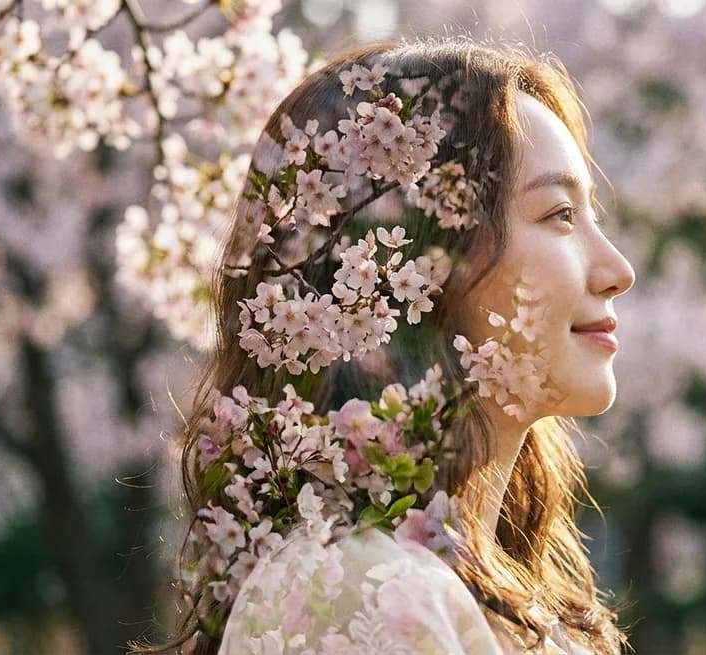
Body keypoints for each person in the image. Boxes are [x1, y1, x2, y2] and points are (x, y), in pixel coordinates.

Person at [137, 35, 636, 655]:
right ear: (421, 263)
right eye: (560, 214)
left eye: (591, 216)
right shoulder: (356, 585)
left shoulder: (464, 583)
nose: (617, 270)